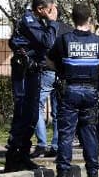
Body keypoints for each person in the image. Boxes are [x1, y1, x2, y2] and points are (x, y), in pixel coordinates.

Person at [47, 3, 99, 177]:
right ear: (89, 19)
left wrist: (63, 68)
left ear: (72, 18)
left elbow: (49, 61)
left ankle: (64, 170)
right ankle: (92, 170)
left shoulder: (64, 40)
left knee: (66, 132)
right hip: (90, 90)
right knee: (89, 131)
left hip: (70, 90)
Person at [5, 0, 59, 172]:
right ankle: (13, 158)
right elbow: (47, 41)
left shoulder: (38, 21)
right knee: (23, 113)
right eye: (50, 9)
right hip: (24, 72)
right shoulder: (29, 20)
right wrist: (52, 23)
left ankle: (24, 155)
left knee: (32, 115)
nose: (53, 13)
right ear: (41, 9)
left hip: (34, 70)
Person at [31, 21, 72, 159]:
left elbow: (43, 46)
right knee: (58, 111)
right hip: (63, 72)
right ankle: (56, 145)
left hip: (47, 70)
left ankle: (42, 143)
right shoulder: (68, 30)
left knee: (37, 105)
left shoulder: (47, 28)